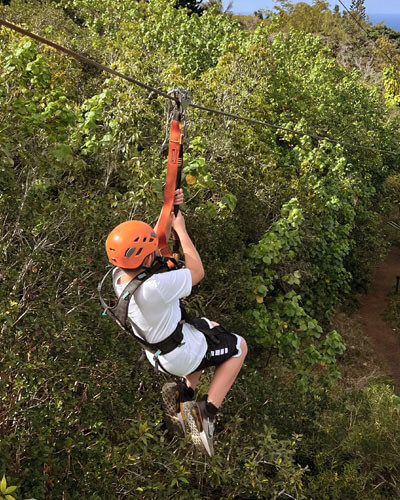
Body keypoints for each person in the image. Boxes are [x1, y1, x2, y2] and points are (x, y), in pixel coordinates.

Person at [105, 189, 247, 456]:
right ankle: (205, 414)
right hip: (179, 355)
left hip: (158, 352)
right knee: (238, 346)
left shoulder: (119, 277)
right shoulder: (157, 286)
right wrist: (180, 229)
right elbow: (197, 272)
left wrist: (168, 209)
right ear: (145, 258)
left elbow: (154, 242)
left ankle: (184, 392)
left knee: (209, 327)